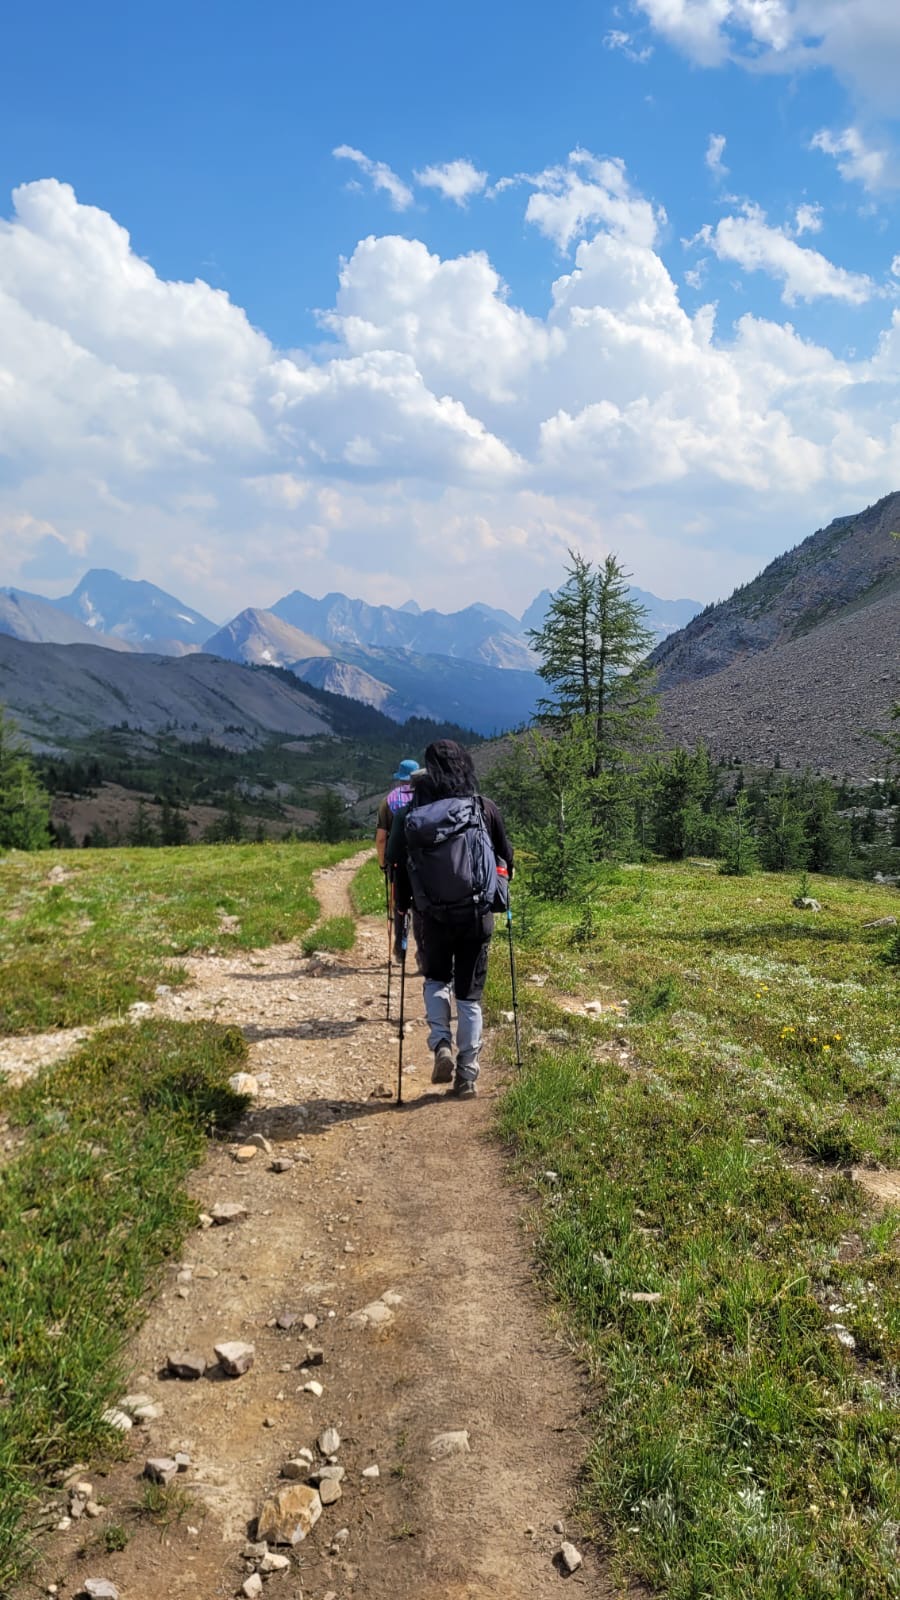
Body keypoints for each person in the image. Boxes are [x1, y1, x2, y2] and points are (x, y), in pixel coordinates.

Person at [386, 739, 514, 1099]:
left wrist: (403, 905)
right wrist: (499, 887)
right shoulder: (483, 809)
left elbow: (393, 864)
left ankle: (441, 1042)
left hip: (431, 916)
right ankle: (467, 1074)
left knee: (436, 979)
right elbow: (506, 857)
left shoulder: (410, 815)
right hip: (476, 914)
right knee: (470, 997)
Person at [375, 758, 419, 961]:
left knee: (400, 905)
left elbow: (382, 838)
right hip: (423, 862)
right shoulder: (427, 799)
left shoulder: (389, 801)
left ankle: (400, 950)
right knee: (422, 904)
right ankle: (424, 953)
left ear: (400, 778)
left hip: (397, 862)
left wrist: (383, 863)